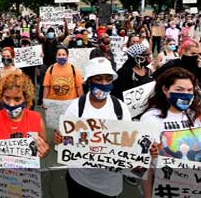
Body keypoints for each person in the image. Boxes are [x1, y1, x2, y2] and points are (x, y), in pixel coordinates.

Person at [54, 57, 132, 198]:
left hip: (110, 183)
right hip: (79, 179)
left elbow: (129, 142)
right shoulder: (76, 106)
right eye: (98, 79)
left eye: (108, 79)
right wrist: (61, 139)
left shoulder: (120, 108)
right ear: (89, 81)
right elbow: (67, 141)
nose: (104, 83)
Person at [0, 71, 49, 197]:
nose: (11, 104)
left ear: (26, 98)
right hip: (3, 185)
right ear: (1, 97)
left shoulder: (37, 119)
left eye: (17, 99)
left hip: (29, 185)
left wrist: (44, 150)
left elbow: (43, 149)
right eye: (7, 98)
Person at [140, 67, 201, 198]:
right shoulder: (151, 119)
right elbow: (146, 164)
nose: (186, 94)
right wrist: (148, 195)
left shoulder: (196, 116)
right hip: (166, 188)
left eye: (190, 90)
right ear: (165, 90)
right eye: (179, 90)